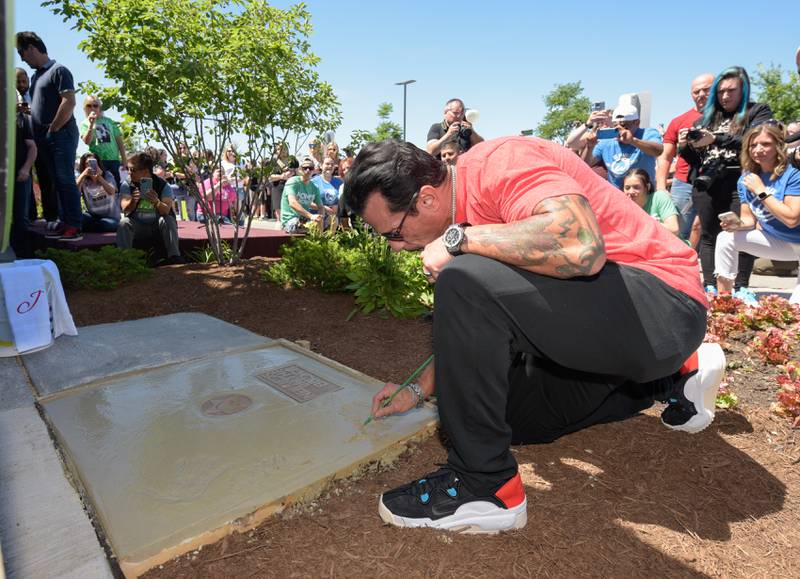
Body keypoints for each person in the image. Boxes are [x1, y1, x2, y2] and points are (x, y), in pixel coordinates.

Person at [343, 137, 724, 534]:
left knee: (461, 277)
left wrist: (460, 242)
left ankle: (484, 486)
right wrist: (418, 392)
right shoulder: (461, 203)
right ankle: (673, 376)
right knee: (502, 416)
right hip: (619, 328)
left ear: (425, 200)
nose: (396, 247)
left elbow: (581, 247)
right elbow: (477, 331)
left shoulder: (501, 162)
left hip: (663, 305)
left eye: (394, 233)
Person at [678, 66, 772, 300]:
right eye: (720, 92)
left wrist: (717, 138)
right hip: (707, 183)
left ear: (743, 90)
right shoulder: (706, 119)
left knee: (740, 232)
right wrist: (686, 146)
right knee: (709, 235)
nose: (725, 96)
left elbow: (755, 140)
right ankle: (710, 285)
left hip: (740, 180)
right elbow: (694, 160)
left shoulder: (757, 111)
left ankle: (741, 286)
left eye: (731, 91)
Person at [715, 123, 800, 303]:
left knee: (796, 310)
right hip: (780, 243)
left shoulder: (793, 176)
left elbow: (792, 219)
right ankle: (723, 303)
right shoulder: (746, 179)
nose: (758, 149)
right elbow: (749, 220)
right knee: (725, 238)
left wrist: (761, 191)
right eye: (753, 145)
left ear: (779, 146)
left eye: (766, 144)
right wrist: (736, 225)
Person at [16, 31, 83, 241]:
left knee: (65, 178)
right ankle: (64, 221)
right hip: (42, 138)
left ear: (31, 48)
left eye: (22, 53)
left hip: (61, 134)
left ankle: (74, 225)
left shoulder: (59, 70)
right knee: (55, 181)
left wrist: (53, 128)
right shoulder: (36, 77)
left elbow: (69, 102)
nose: (22, 59)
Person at [657, 74, 714, 241]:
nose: (701, 94)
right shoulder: (678, 121)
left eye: (706, 90)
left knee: (711, 231)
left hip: (717, 182)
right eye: (697, 91)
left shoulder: (730, 117)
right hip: (684, 184)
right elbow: (665, 156)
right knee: (680, 232)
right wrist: (661, 187)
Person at [117, 152, 182, 264]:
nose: (129, 173)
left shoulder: (162, 184)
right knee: (124, 223)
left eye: (132, 170)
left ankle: (175, 257)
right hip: (138, 227)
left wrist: (156, 202)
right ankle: (124, 260)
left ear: (145, 171)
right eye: (128, 169)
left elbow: (166, 210)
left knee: (168, 220)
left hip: (157, 227)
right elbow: (125, 209)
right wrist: (133, 201)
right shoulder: (127, 184)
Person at [583, 103, 663, 189]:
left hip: (644, 195)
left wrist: (633, 141)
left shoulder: (648, 133)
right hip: (617, 197)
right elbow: (585, 164)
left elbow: (658, 150)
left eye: (624, 125)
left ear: (637, 123)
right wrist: (589, 147)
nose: (620, 129)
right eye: (616, 126)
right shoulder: (607, 140)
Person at [11, 89, 37, 258]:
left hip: (20, 176)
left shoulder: (22, 120)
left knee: (21, 217)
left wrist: (26, 168)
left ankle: (23, 256)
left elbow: (32, 147)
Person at [79, 95, 126, 186]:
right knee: (102, 189)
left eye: (95, 105)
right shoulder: (84, 123)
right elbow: (87, 141)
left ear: (100, 108)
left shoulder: (109, 121)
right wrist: (91, 124)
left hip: (114, 160)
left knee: (117, 188)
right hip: (98, 162)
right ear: (85, 108)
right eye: (89, 105)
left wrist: (124, 160)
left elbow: (119, 141)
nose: (92, 108)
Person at [622, 169, 680, 237]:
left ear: (648, 187)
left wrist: (649, 222)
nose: (631, 192)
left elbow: (674, 230)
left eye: (636, 187)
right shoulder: (624, 206)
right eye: (627, 188)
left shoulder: (659, 197)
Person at [280, 157, 327, 233]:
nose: (308, 170)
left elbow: (320, 206)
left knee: (331, 220)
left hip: (305, 219)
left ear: (314, 170)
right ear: (300, 169)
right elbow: (292, 203)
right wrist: (311, 216)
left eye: (310, 168)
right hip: (290, 220)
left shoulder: (314, 187)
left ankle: (322, 242)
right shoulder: (293, 182)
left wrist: (321, 217)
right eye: (305, 168)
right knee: (298, 225)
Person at [76, 152, 119, 233]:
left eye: (93, 162)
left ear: (98, 163)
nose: (90, 165)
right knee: (77, 218)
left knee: (104, 225)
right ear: (84, 166)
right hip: (92, 216)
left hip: (111, 218)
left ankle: (89, 228)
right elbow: (74, 195)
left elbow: (112, 191)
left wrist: (99, 177)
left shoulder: (107, 175)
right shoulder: (83, 179)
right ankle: (92, 227)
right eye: (87, 163)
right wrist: (82, 176)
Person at [268, 142, 295, 222]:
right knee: (279, 211)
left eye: (283, 148)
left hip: (291, 186)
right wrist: (281, 176)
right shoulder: (274, 161)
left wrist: (292, 173)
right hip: (277, 186)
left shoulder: (292, 160)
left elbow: (298, 172)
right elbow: (269, 177)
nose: (282, 150)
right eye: (279, 149)